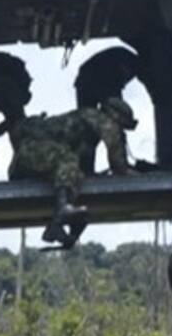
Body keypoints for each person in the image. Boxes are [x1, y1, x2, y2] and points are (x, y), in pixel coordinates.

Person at [8, 97, 138, 249]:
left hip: (35, 160)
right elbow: (118, 163)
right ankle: (63, 209)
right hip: (29, 154)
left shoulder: (89, 124)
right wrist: (136, 176)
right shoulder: (100, 119)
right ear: (114, 116)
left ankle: (57, 226)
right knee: (67, 159)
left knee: (75, 176)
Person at [74, 46, 141, 111]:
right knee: (117, 111)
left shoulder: (125, 56)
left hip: (84, 80)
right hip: (101, 80)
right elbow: (121, 75)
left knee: (86, 114)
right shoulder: (133, 63)